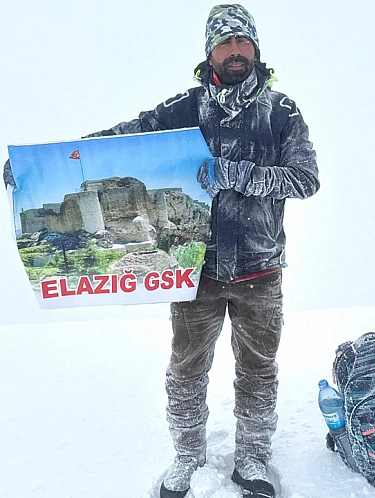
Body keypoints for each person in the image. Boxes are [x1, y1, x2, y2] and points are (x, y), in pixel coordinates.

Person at [1, 4, 317, 497]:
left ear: (256, 49)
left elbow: (305, 179)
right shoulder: (185, 109)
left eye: (243, 42)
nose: (236, 51)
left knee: (258, 369)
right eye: (225, 42)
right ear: (210, 52)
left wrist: (237, 174)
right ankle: (188, 459)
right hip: (196, 272)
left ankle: (253, 457)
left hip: (260, 270)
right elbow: (121, 140)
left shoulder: (281, 111)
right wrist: (41, 165)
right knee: (186, 369)